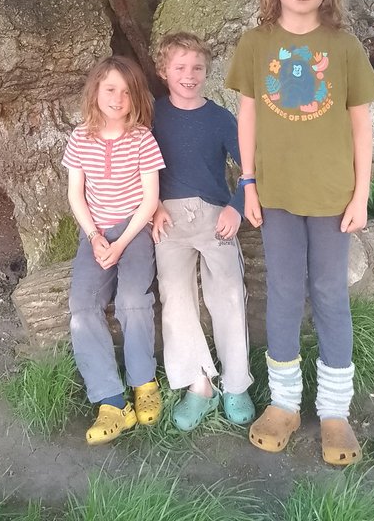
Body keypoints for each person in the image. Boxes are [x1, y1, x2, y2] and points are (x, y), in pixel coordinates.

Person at [226, 0, 374, 466]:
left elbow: (361, 127)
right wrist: (246, 183)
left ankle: (336, 411)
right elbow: (246, 116)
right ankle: (286, 403)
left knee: (330, 295)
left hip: (333, 195)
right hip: (274, 195)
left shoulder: (343, 47)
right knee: (285, 291)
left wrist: (362, 194)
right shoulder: (255, 43)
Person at [151, 32, 255, 431]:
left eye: (197, 68)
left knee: (228, 292)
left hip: (215, 216)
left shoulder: (220, 118)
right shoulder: (153, 115)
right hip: (168, 220)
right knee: (175, 297)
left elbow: (250, 170)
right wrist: (153, 206)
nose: (189, 75)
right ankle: (199, 385)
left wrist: (236, 207)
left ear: (207, 72)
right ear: (164, 72)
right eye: (180, 67)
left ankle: (236, 382)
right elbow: (140, 168)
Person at [63, 54, 165, 445]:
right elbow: (75, 194)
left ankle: (144, 382)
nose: (117, 98)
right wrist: (94, 237)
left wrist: (122, 242)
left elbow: (150, 197)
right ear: (96, 92)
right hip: (96, 233)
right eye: (110, 89)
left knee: (133, 300)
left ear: (135, 97)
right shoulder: (80, 138)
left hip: (134, 229)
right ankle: (111, 401)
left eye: (125, 91)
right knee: (82, 304)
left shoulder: (142, 138)